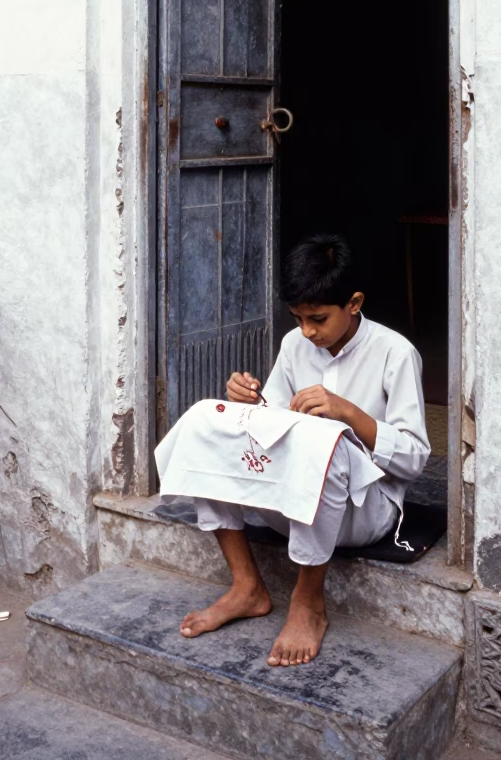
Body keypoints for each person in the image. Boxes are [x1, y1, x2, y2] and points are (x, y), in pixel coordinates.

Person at [155, 233, 431, 669]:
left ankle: (308, 602)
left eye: (318, 319)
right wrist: (249, 404)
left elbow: (415, 458)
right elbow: (278, 424)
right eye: (298, 318)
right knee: (208, 421)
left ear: (354, 302)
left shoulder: (395, 353)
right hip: (290, 504)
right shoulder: (294, 344)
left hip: (364, 511)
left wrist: (348, 414)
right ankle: (247, 587)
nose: (307, 331)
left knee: (330, 442)